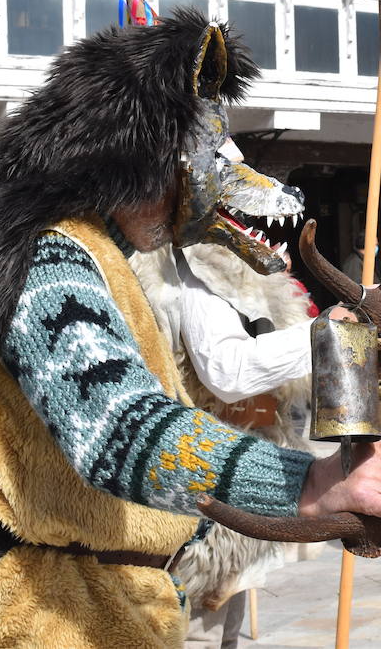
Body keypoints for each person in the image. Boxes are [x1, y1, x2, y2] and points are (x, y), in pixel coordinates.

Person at [0, 12, 381, 647]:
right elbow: (116, 426)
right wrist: (307, 483)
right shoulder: (44, 253)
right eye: (186, 165)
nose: (193, 190)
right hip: (39, 618)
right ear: (131, 160)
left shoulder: (83, 247)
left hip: (91, 604)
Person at [130, 242, 324, 646]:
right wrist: (324, 333)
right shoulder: (197, 267)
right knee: (200, 628)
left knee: (223, 621)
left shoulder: (243, 271)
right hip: (207, 476)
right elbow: (228, 372)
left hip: (243, 460)